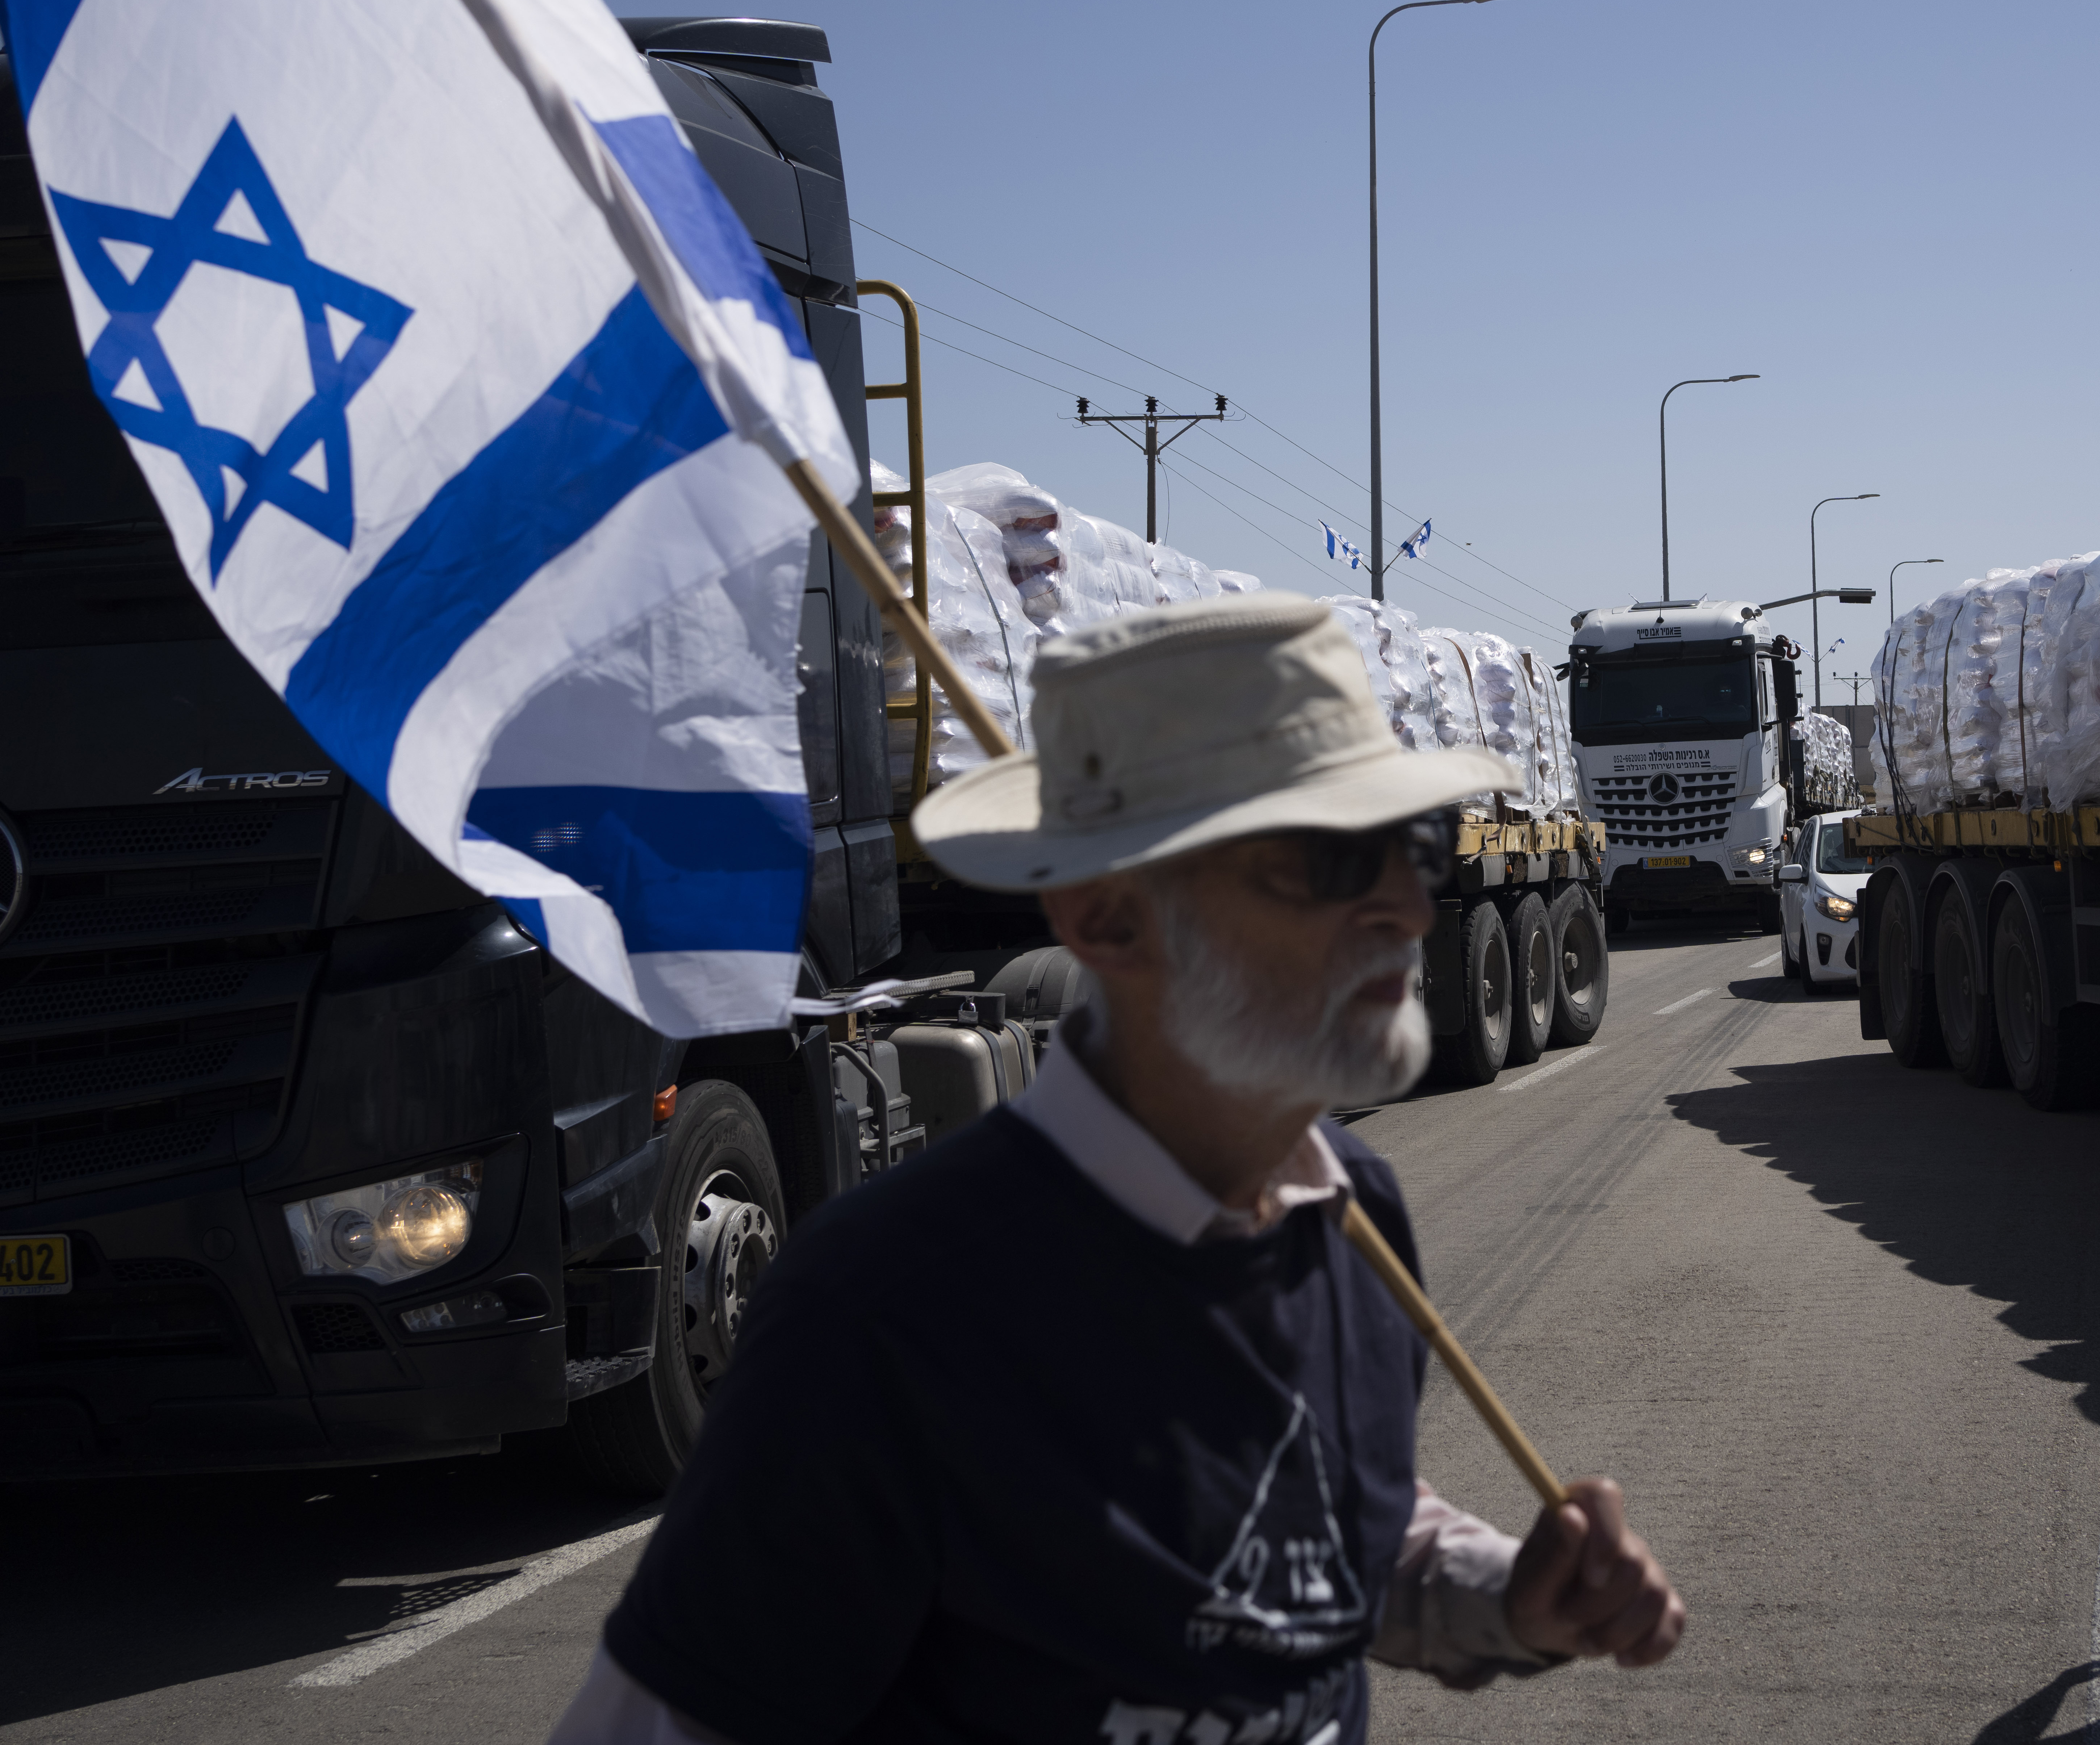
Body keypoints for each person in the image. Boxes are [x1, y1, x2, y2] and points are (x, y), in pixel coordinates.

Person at [549, 592, 1683, 1744]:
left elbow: (1323, 1537)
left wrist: (1505, 1599)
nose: (1403, 904)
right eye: (1325, 861)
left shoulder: (1353, 1213)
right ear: (1107, 918)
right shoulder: (886, 1314)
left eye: (1411, 847)